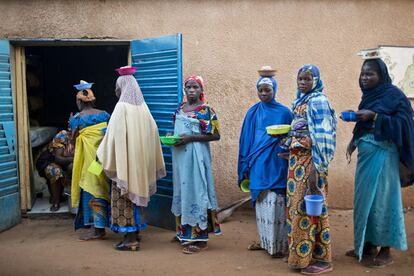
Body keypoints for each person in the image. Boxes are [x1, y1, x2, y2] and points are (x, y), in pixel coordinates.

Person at [345, 58, 414, 268]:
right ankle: (367, 244)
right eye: (363, 73)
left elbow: (405, 123)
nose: (364, 78)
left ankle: (386, 249)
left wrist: (375, 116)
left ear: (381, 75)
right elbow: (364, 125)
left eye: (369, 74)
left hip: (384, 157)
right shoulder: (368, 97)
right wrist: (354, 140)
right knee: (365, 200)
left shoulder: (394, 96)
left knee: (383, 200)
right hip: (366, 158)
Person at [97, 66, 166, 251]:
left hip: (125, 164)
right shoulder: (144, 109)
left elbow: (114, 136)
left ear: (122, 87)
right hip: (140, 165)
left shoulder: (121, 108)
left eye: (117, 87)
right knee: (137, 197)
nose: (116, 91)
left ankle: (130, 239)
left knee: (124, 197)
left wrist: (102, 152)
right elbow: (153, 133)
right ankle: (136, 233)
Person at [284, 65, 336, 274]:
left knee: (311, 210)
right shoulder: (300, 101)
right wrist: (290, 148)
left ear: (316, 80)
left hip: (311, 164)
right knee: (298, 210)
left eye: (307, 79)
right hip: (297, 163)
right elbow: (301, 132)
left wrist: (316, 171)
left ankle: (323, 260)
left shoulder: (318, 101)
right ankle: (302, 256)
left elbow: (322, 140)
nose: (303, 82)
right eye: (300, 78)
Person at [238, 68, 293, 258]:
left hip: (277, 162)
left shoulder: (285, 112)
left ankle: (278, 246)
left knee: (277, 202)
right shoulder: (252, 112)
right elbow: (246, 139)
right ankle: (265, 242)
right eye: (260, 90)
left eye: (267, 90)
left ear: (274, 90)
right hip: (258, 162)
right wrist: (245, 164)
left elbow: (291, 137)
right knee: (262, 203)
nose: (263, 94)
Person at [171, 75, 221, 254]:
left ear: (201, 90)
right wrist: (172, 135)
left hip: (197, 158)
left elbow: (215, 135)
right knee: (183, 192)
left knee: (198, 192)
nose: (191, 90)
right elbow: (177, 128)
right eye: (188, 87)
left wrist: (190, 138)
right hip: (180, 157)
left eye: (195, 87)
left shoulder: (206, 110)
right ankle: (183, 232)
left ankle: (200, 238)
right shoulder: (180, 108)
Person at [70, 80, 111, 241]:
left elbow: (73, 141)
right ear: (93, 99)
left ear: (79, 101)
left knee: (91, 189)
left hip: (89, 162)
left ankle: (97, 229)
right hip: (102, 159)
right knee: (103, 188)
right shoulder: (104, 114)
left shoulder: (77, 119)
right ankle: (105, 224)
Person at [36, 130, 74, 212]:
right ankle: (56, 202)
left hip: (67, 163)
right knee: (56, 171)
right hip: (49, 161)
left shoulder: (85, 135)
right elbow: (58, 158)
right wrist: (74, 159)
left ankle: (58, 196)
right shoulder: (62, 135)